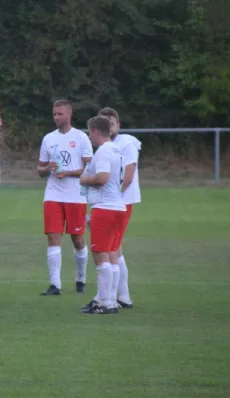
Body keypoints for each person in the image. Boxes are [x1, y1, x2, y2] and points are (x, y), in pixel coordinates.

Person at [37, 99, 93, 296]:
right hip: (53, 194)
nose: (56, 117)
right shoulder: (48, 139)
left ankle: (81, 278)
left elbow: (89, 168)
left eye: (59, 114)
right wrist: (47, 169)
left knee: (78, 239)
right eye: (54, 114)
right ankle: (55, 285)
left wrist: (68, 173)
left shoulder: (81, 138)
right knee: (53, 236)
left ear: (69, 114)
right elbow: (39, 170)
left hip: (75, 196)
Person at [79, 115, 126, 315]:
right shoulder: (117, 150)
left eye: (90, 132)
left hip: (105, 208)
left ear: (97, 131)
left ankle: (106, 303)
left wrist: (85, 179)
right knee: (112, 255)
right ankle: (110, 301)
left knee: (100, 255)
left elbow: (103, 177)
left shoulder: (104, 151)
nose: (89, 136)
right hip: (118, 208)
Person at [97, 107, 141, 309]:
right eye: (105, 122)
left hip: (120, 203)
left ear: (118, 125)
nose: (109, 126)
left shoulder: (127, 143)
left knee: (111, 249)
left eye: (111, 122)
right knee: (115, 248)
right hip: (112, 204)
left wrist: (111, 198)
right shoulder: (105, 146)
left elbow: (128, 176)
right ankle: (121, 296)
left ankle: (112, 297)